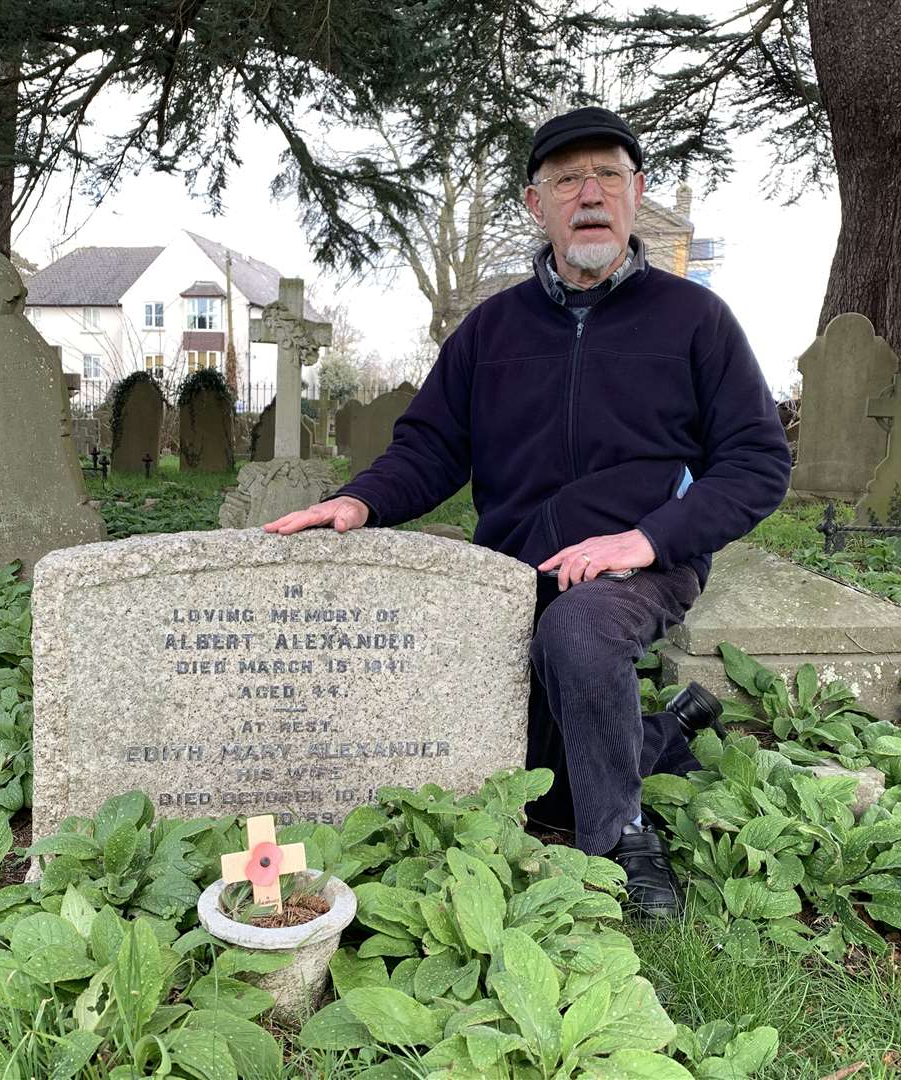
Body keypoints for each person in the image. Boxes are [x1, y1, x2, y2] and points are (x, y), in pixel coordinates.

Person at [263, 106, 791, 917]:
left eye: (609, 175)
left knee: (577, 634)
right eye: (567, 178)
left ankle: (620, 839)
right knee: (535, 772)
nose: (590, 194)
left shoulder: (696, 322)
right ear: (533, 203)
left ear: (636, 193)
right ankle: (661, 732)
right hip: (512, 565)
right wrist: (360, 499)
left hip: (639, 564)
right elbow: (431, 447)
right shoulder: (491, 330)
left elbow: (757, 464)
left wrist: (648, 540)